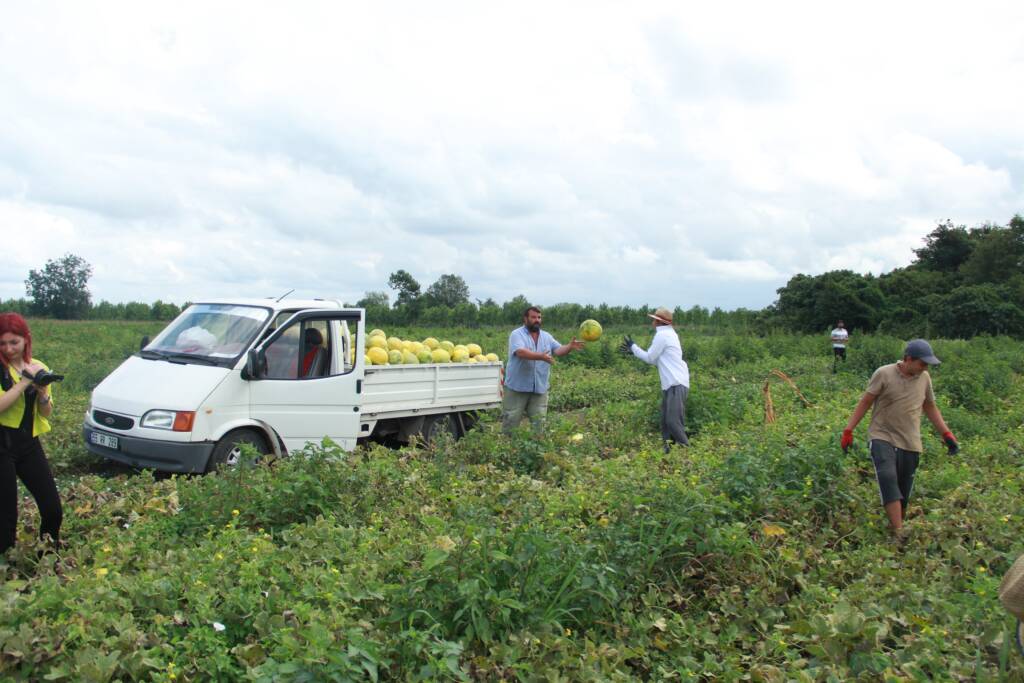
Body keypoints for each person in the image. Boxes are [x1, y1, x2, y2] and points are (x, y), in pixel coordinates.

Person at [840, 339, 958, 544]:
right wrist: (849, 429)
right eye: (922, 363)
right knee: (887, 476)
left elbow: (929, 407)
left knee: (903, 489)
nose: (925, 368)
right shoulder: (884, 373)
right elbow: (866, 401)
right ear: (908, 359)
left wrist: (946, 434)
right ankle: (899, 533)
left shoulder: (924, 378)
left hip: (910, 441)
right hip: (881, 435)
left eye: (927, 365)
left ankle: (896, 524)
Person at [0, 313, 63, 555]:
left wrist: (42, 392)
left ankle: (48, 556)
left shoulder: (38, 367)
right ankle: (6, 571)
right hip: (2, 444)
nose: (8, 349)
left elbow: (46, 412)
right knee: (6, 516)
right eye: (2, 343)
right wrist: (24, 382)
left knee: (52, 509)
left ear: (26, 339)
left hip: (28, 444)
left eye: (13, 342)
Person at [502, 306, 584, 433]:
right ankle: (507, 449)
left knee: (539, 425)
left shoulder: (547, 336)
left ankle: (537, 449)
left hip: (539, 388)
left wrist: (570, 346)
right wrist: (540, 356)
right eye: (533, 317)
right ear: (525, 319)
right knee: (511, 423)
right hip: (517, 388)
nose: (537, 320)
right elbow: (520, 352)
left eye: (539, 317)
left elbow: (558, 350)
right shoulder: (516, 334)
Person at [620, 307, 690, 452]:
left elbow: (650, 357)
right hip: (672, 383)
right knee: (665, 422)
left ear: (659, 322)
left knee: (673, 421)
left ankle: (686, 451)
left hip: (676, 382)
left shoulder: (663, 335)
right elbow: (655, 360)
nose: (652, 322)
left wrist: (633, 347)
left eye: (654, 319)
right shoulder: (669, 334)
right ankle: (669, 453)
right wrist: (635, 353)